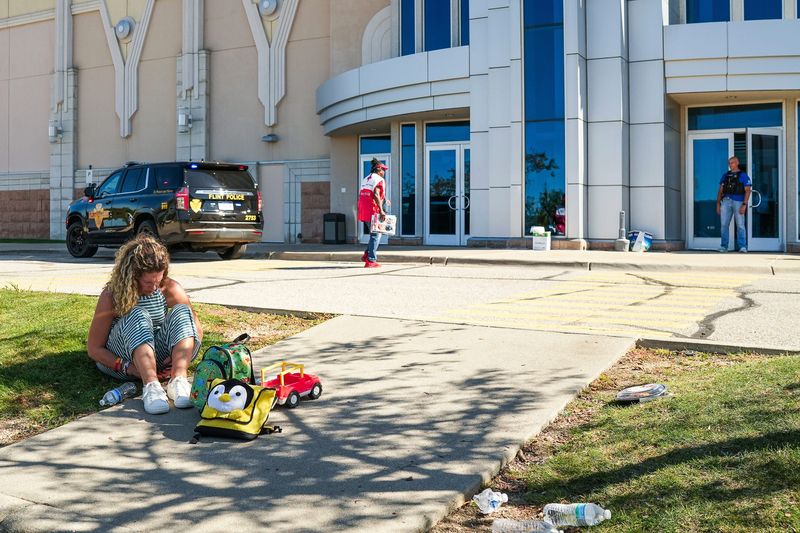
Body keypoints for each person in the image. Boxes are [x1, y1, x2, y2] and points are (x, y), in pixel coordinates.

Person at [87, 234, 203, 414]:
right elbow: (94, 349)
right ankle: (151, 386)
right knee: (138, 313)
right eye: (148, 282)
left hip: (158, 358)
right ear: (132, 275)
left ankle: (178, 380)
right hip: (123, 360)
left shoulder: (169, 287)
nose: (155, 287)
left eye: (158, 280)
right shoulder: (111, 295)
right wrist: (131, 369)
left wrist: (176, 359)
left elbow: (194, 327)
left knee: (183, 310)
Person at [357, 158, 390, 268]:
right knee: (376, 235)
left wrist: (384, 200)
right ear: (379, 169)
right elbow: (376, 194)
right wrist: (381, 210)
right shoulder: (379, 179)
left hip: (363, 209)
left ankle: (367, 255)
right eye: (383, 170)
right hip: (373, 210)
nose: (384, 172)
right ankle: (371, 260)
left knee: (373, 234)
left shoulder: (366, 178)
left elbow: (369, 193)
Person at [716, 156, 751, 253]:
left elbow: (748, 191)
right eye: (729, 163)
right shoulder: (725, 175)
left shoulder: (743, 175)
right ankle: (724, 246)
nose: (730, 165)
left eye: (732, 162)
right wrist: (718, 204)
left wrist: (744, 204)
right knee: (724, 225)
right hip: (726, 201)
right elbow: (720, 191)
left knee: (740, 225)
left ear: (737, 162)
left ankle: (742, 246)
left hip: (739, 202)